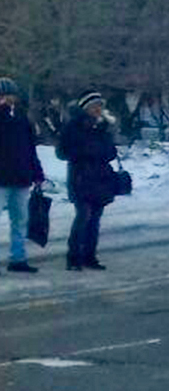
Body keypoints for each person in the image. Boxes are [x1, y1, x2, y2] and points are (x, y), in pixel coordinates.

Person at [59, 92, 118, 272]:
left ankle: (89, 256)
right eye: (94, 106)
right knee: (83, 217)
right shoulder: (74, 126)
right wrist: (87, 151)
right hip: (81, 178)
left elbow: (111, 153)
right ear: (86, 108)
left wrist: (106, 134)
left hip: (100, 178)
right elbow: (62, 152)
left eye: (100, 106)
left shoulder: (102, 128)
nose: (98, 109)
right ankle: (74, 257)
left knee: (95, 219)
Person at [0, 78, 47, 273]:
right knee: (17, 219)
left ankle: (18, 258)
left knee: (20, 220)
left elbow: (30, 148)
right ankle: (17, 258)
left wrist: (37, 172)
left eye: (10, 95)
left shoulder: (21, 119)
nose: (8, 99)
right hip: (2, 177)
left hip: (20, 176)